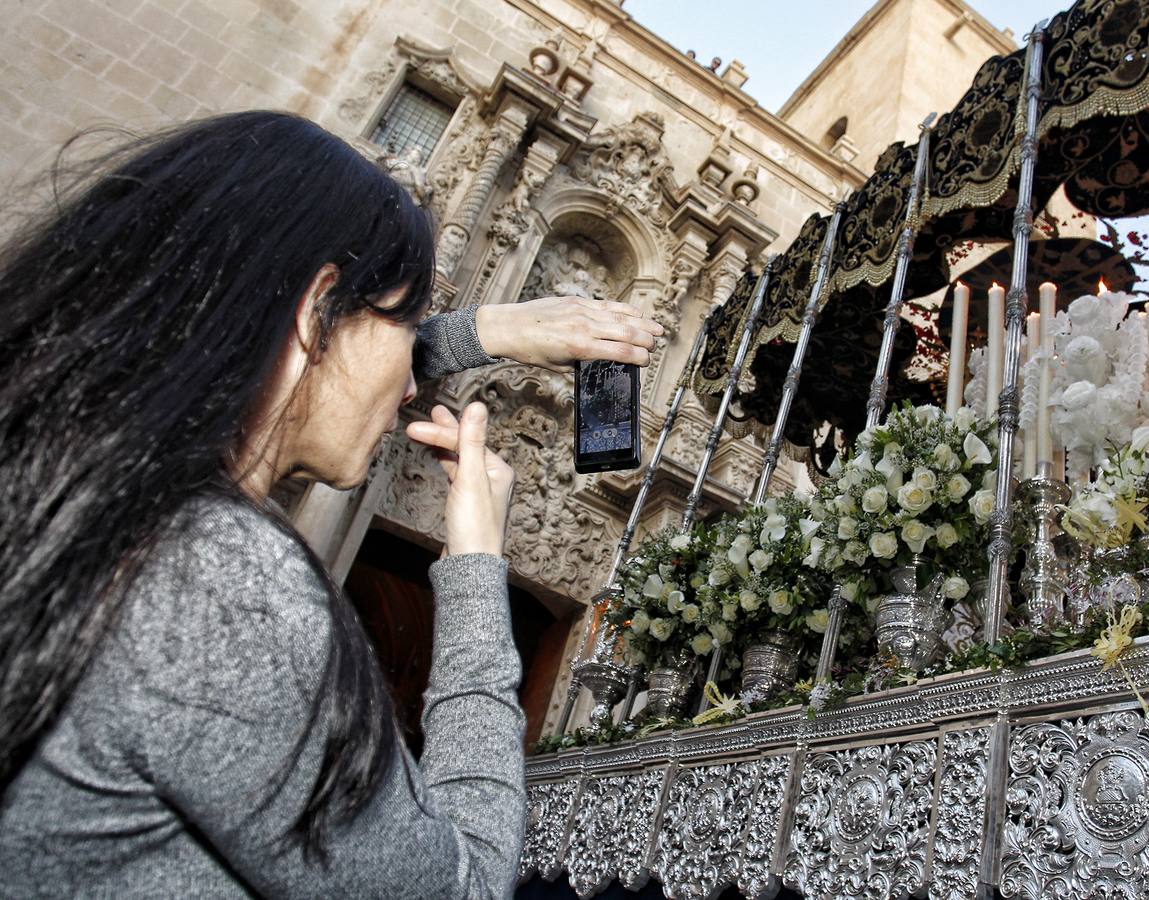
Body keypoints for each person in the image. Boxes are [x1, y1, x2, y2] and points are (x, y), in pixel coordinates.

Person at [0, 110, 664, 898]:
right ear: (318, 309)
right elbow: (466, 887)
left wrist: (494, 329)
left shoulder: (84, 485)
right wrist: (479, 570)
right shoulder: (222, 587)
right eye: (409, 326)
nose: (414, 384)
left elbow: (323, 347)